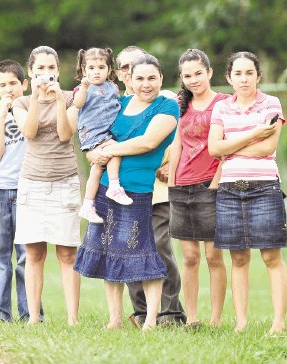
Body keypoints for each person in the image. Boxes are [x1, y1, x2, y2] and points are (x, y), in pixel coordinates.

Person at [74, 54, 179, 331]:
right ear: (130, 80)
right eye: (140, 78)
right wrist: (93, 154)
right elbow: (96, 136)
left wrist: (106, 151)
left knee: (145, 254)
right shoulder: (119, 104)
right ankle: (115, 319)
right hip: (107, 188)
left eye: (152, 78)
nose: (146, 84)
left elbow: (148, 142)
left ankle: (152, 320)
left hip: (138, 191)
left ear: (161, 79)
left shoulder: (167, 106)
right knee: (111, 253)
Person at [208, 51, 287, 334]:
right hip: (229, 190)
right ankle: (241, 322)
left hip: (264, 188)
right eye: (238, 74)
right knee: (238, 258)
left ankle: (278, 323)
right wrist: (254, 134)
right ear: (229, 78)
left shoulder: (272, 104)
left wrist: (230, 148)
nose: (244, 79)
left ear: (258, 76)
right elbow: (214, 148)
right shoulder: (221, 108)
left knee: (270, 257)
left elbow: (267, 149)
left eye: (249, 73)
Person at [113, 45, 186, 326]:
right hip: (126, 191)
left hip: (157, 188)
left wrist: (169, 165)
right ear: (122, 75)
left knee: (157, 246)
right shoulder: (117, 105)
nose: (135, 74)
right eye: (127, 68)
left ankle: (170, 311)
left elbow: (172, 141)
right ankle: (141, 310)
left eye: (140, 68)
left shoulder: (164, 100)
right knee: (130, 248)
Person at [12, 46, 81, 325]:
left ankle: (72, 318)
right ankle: (33, 319)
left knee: (67, 252)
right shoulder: (23, 103)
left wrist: (58, 102)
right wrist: (39, 100)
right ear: (30, 71)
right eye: (40, 69)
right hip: (33, 183)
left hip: (65, 181)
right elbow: (29, 132)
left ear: (57, 71)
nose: (45, 74)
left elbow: (66, 135)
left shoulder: (71, 98)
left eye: (51, 68)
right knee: (34, 252)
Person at [167, 49, 228, 327]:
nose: (193, 80)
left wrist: (215, 184)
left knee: (213, 256)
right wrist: (172, 181)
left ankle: (215, 320)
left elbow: (228, 150)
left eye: (198, 73)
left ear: (210, 72)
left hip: (212, 186)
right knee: (189, 257)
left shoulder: (225, 103)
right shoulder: (182, 105)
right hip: (182, 185)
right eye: (187, 75)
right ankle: (192, 318)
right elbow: (178, 143)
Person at [0, 59, 38, 322]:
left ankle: (30, 313)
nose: (8, 89)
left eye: (13, 83)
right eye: (2, 85)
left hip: (27, 188)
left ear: (24, 84)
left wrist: (18, 110)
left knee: (28, 255)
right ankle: (0, 313)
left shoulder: (32, 110)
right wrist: (4, 114)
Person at [75, 47, 132, 224]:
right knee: (115, 151)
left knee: (97, 169)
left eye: (101, 67)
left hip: (107, 132)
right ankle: (114, 186)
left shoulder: (113, 87)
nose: (96, 72)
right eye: (91, 68)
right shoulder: (83, 88)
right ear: (84, 70)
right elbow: (78, 103)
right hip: (93, 133)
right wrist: (84, 87)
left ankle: (87, 204)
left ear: (109, 70)